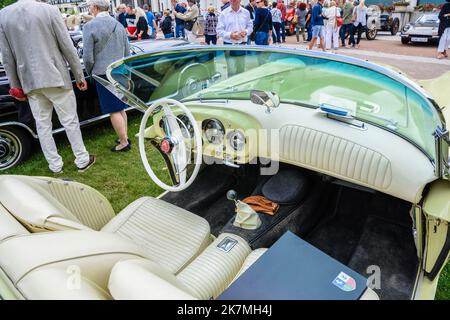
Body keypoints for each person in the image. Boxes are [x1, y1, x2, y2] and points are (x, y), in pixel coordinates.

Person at [0, 0, 95, 173]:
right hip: (55, 76)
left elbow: (7, 57)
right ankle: (82, 159)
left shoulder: (3, 15)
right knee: (70, 121)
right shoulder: (49, 10)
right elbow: (67, 45)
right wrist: (79, 75)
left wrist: (15, 87)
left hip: (29, 81)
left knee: (43, 125)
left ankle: (55, 165)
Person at [82, 0, 131, 152]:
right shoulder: (119, 24)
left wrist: (90, 72)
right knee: (121, 107)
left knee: (114, 110)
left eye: (90, 7)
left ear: (96, 8)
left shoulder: (89, 26)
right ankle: (125, 136)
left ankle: (123, 143)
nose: (90, 10)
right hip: (120, 70)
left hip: (103, 73)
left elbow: (88, 58)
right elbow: (127, 51)